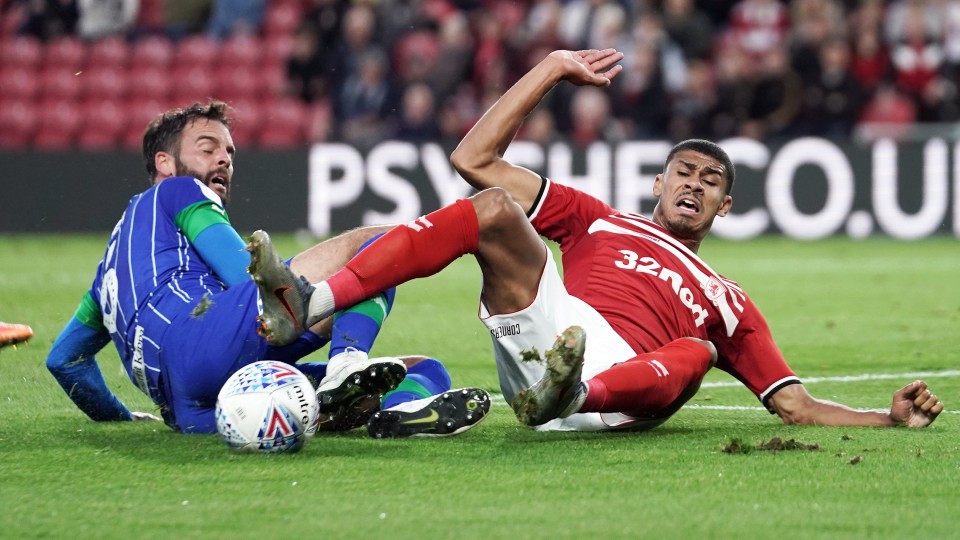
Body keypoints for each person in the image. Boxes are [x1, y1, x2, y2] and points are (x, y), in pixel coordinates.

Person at [247, 49, 944, 432]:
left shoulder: (730, 299)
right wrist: (549, 68)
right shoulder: (597, 218)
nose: (693, 186)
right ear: (658, 183)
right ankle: (306, 305)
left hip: (604, 393)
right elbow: (474, 159)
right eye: (683, 173)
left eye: (710, 181)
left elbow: (794, 404)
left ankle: (570, 397)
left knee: (698, 348)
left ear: (726, 205)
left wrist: (886, 419)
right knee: (490, 205)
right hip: (552, 343)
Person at [45, 101, 489, 438]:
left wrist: (118, 417)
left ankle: (387, 414)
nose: (224, 159)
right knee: (375, 250)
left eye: (230, 151)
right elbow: (254, 281)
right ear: (164, 162)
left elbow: (65, 361)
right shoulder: (178, 192)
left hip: (193, 408)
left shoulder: (106, 277)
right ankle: (344, 366)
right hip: (205, 342)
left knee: (422, 369)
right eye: (208, 147)